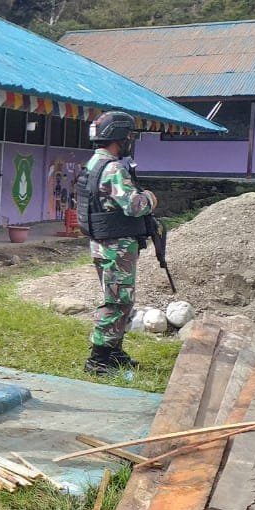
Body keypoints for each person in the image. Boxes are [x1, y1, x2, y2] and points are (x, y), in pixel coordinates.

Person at [76, 111, 158, 375]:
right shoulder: (113, 168)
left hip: (104, 242)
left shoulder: (94, 163)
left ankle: (113, 351)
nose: (130, 141)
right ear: (119, 138)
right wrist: (150, 199)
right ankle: (99, 358)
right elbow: (134, 206)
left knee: (121, 298)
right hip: (116, 246)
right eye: (129, 137)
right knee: (117, 300)